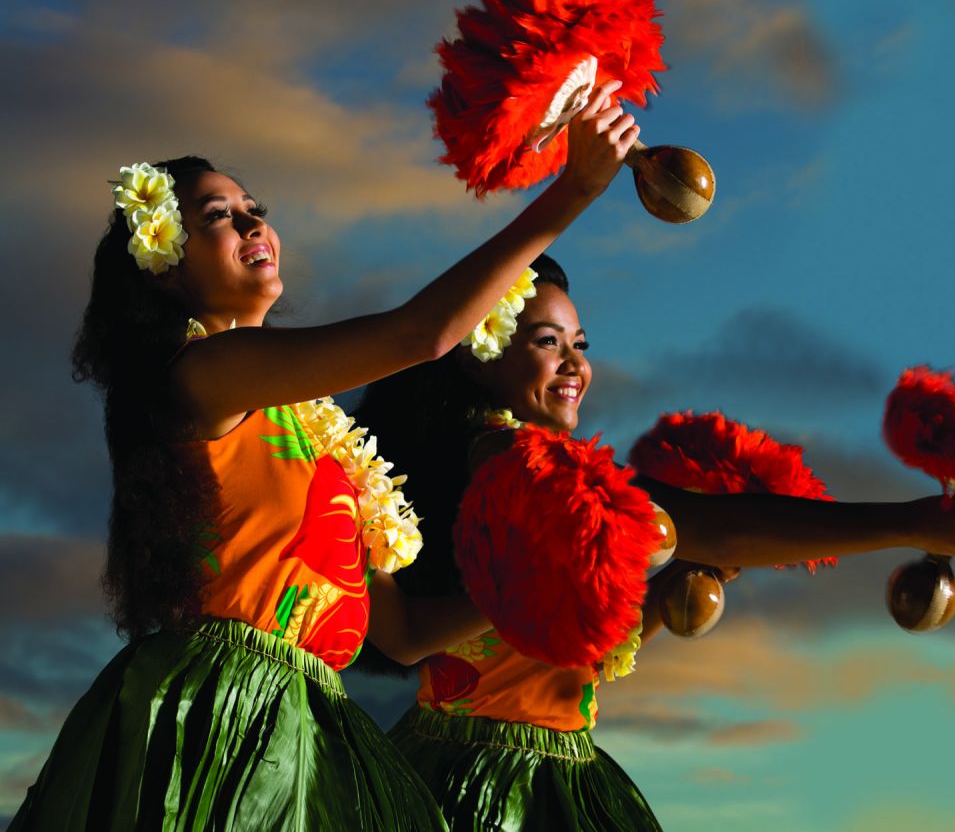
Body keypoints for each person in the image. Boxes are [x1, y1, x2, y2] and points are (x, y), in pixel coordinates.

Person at [11, 83, 640, 831]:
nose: (252, 221)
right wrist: (573, 191)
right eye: (218, 216)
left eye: (255, 209)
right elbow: (422, 333)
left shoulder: (314, 430)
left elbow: (400, 634)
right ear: (164, 266)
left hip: (313, 719)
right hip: (224, 716)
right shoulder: (202, 373)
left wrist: (550, 602)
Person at [353, 254, 955, 831]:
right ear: (477, 353)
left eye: (580, 344)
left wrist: (663, 595)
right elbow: (713, 525)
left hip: (539, 761)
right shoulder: (510, 457)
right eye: (548, 343)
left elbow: (576, 666)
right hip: (489, 789)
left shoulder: (523, 462)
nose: (575, 364)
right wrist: (908, 522)